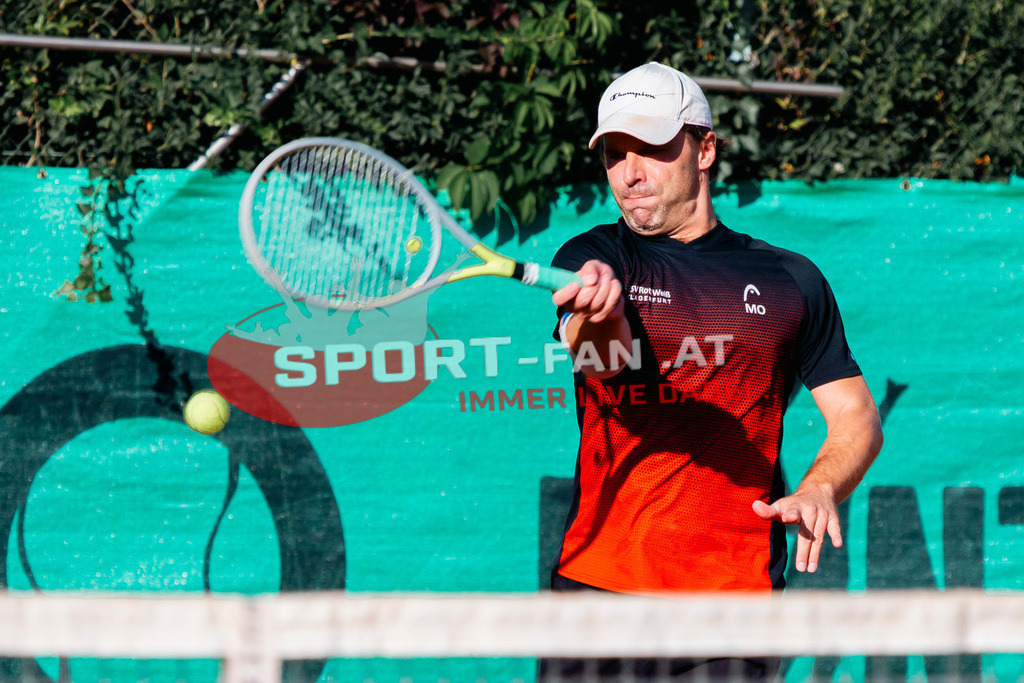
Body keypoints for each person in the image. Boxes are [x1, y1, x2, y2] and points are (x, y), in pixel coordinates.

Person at [542, 62, 883, 678]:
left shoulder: (791, 279)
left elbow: (856, 414)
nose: (631, 173)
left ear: (705, 148)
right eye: (615, 155)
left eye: (650, 148)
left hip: (734, 604)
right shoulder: (591, 258)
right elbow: (601, 362)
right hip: (597, 594)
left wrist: (822, 486)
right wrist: (597, 313)